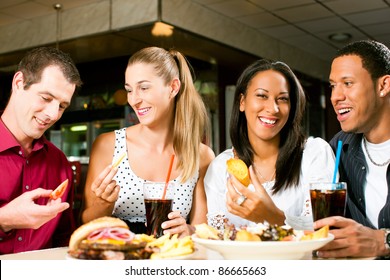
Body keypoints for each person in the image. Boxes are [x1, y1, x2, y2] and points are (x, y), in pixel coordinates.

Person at [81, 46, 215, 237]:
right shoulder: (108, 145)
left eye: (143, 88)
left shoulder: (201, 155)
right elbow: (85, 222)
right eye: (129, 90)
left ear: (173, 87)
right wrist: (104, 204)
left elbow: (202, 228)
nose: (134, 100)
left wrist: (189, 230)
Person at [204, 59, 336, 230]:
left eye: (282, 99)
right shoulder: (221, 167)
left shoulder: (315, 153)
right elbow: (217, 239)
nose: (273, 108)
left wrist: (273, 217)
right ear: (242, 102)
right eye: (262, 96)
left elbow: (324, 230)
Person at [0, 47, 82, 254]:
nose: (53, 114)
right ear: (19, 83)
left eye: (62, 106)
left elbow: (64, 240)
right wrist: (5, 219)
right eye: (46, 98)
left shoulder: (60, 162)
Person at [314, 40, 390, 258]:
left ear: (383, 86)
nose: (335, 97)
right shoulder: (338, 147)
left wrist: (382, 240)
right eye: (333, 85)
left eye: (347, 83)